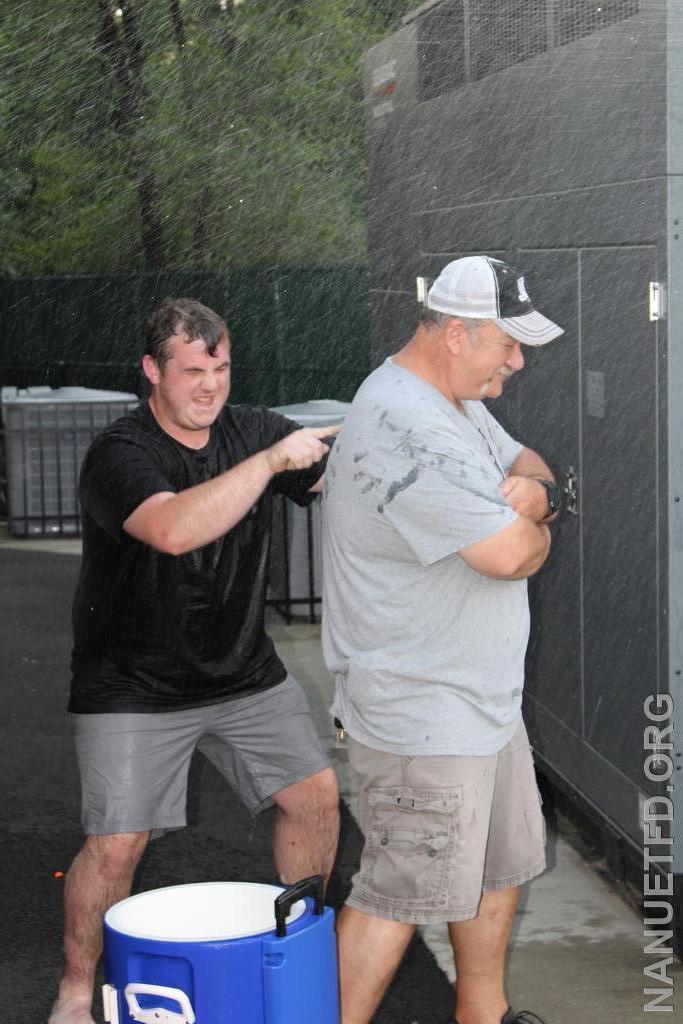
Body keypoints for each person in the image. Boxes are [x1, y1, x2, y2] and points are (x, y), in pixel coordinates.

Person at [49, 298, 340, 1024]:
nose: (211, 386)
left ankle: (295, 954)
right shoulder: (119, 453)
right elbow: (175, 528)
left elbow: (346, 477)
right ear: (151, 371)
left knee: (315, 800)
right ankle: (77, 989)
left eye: (222, 368)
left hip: (243, 672)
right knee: (116, 847)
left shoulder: (253, 428)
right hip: (132, 682)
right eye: (192, 371)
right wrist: (273, 459)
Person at [322, 256, 566, 1024]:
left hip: (480, 704)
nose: (518, 361)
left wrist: (536, 497)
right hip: (419, 712)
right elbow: (508, 556)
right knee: (396, 894)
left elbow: (534, 470)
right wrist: (539, 520)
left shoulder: (452, 400)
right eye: (508, 344)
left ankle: (481, 1017)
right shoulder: (403, 426)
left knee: (496, 871)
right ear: (457, 334)